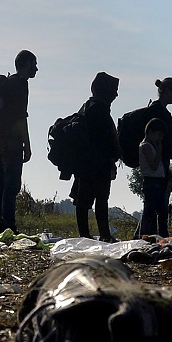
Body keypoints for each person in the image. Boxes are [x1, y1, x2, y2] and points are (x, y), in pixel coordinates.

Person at [0, 49, 36, 230]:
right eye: (34, 65)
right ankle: (8, 225)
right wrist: (27, 145)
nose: (36, 69)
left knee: (0, 185)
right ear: (27, 64)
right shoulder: (21, 84)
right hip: (12, 142)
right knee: (11, 186)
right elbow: (21, 118)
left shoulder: (7, 83)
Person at [72, 72, 120, 240]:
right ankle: (104, 235)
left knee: (83, 199)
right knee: (99, 199)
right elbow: (104, 140)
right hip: (97, 163)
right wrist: (111, 159)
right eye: (114, 90)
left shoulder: (88, 107)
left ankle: (85, 235)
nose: (116, 94)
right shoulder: (99, 110)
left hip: (86, 162)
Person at [137, 77, 172, 236]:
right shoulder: (156, 111)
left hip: (161, 164)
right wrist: (159, 149)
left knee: (155, 207)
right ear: (167, 91)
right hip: (156, 163)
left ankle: (149, 234)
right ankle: (150, 234)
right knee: (153, 207)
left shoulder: (160, 110)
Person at [139, 117, 169, 236]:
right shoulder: (146, 146)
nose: (160, 139)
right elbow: (153, 165)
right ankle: (144, 234)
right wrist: (159, 151)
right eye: (159, 135)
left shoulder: (150, 146)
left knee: (161, 211)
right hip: (151, 182)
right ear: (150, 132)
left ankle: (161, 235)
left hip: (157, 182)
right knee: (150, 211)